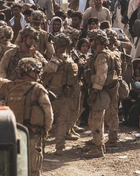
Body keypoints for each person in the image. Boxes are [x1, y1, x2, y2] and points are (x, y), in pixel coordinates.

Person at [0, 57, 53, 176]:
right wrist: (46, 130)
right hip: (32, 135)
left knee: (15, 167)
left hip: (13, 135)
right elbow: (48, 113)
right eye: (36, 71)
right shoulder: (38, 89)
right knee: (33, 169)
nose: (38, 74)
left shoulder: (9, 87)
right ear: (28, 72)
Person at [85, 30, 123, 158]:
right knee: (112, 113)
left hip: (102, 90)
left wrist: (94, 92)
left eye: (92, 40)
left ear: (97, 41)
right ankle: (112, 138)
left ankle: (98, 146)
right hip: (112, 88)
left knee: (96, 117)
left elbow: (102, 75)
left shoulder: (101, 56)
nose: (90, 42)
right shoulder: (111, 54)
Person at [41, 34, 80, 156]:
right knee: (62, 122)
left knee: (46, 120)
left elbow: (48, 69)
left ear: (57, 45)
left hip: (54, 94)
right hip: (66, 94)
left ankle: (41, 147)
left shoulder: (56, 60)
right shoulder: (69, 59)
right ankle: (59, 147)